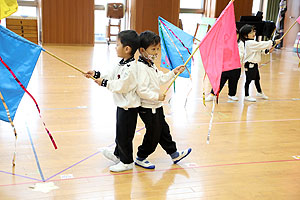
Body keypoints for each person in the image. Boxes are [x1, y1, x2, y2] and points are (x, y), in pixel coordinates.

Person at [134, 30, 192, 169]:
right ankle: (141, 157)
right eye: (153, 49)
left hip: (156, 106)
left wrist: (173, 72)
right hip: (148, 108)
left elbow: (160, 78)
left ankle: (174, 153)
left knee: (164, 131)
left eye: (157, 49)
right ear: (142, 50)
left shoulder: (150, 64)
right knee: (153, 134)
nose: (156, 52)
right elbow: (141, 91)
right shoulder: (141, 67)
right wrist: (156, 96)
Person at [85, 30, 140, 172]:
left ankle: (127, 161)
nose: (115, 47)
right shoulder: (121, 63)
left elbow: (122, 86)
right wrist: (96, 74)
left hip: (129, 108)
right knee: (120, 133)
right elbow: (110, 74)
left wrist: (104, 83)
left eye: (117, 45)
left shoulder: (132, 68)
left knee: (125, 136)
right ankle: (118, 155)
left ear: (127, 49)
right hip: (121, 106)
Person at [238, 24, 281, 102]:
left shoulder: (253, 42)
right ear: (245, 35)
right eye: (251, 32)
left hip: (255, 65)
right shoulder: (249, 43)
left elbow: (260, 50)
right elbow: (261, 45)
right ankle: (246, 95)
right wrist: (273, 42)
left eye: (254, 31)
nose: (254, 33)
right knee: (248, 80)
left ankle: (259, 92)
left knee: (257, 79)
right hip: (249, 64)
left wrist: (268, 50)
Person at [206, 29, 242, 102]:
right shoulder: (224, 43)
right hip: (225, 67)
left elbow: (241, 55)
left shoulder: (240, 44)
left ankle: (232, 94)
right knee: (220, 81)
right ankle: (213, 93)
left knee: (233, 81)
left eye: (236, 35)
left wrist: (232, 52)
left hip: (235, 67)